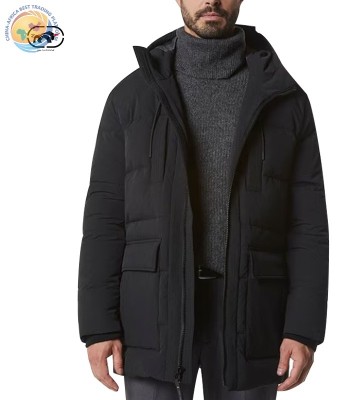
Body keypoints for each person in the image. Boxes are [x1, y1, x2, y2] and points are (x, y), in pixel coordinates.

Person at [77, 1, 329, 399]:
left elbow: (308, 225)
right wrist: (99, 325)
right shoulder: (131, 97)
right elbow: (105, 218)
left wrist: (303, 329)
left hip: (252, 316)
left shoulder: (285, 99)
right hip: (151, 315)